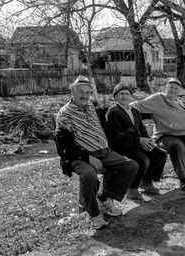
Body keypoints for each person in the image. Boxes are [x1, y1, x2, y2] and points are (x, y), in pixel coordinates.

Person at [54, 75, 138, 230]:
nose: (84, 96)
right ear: (72, 92)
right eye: (81, 92)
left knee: (131, 166)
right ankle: (94, 215)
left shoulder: (91, 107)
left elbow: (101, 122)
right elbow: (63, 144)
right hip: (80, 156)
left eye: (88, 92)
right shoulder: (64, 113)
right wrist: (88, 158)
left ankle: (104, 199)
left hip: (104, 151)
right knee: (89, 176)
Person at [106, 83, 167, 200]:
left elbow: (142, 128)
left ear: (130, 96)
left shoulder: (134, 110)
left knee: (160, 154)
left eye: (127, 94)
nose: (124, 96)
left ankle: (146, 182)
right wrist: (139, 141)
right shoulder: (113, 112)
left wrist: (147, 141)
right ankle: (131, 188)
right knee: (142, 159)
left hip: (137, 144)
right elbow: (116, 138)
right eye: (121, 94)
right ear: (116, 97)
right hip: (121, 147)